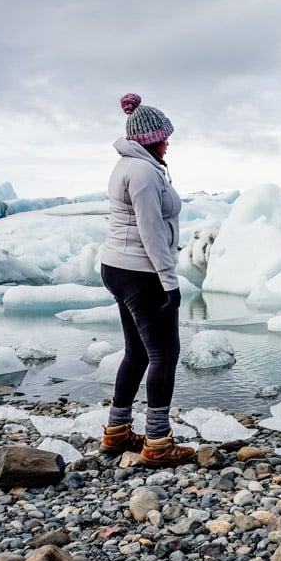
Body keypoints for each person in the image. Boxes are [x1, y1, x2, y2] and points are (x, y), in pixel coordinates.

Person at [97, 93, 195, 467]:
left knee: (138, 352)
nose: (168, 143)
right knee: (164, 355)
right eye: (164, 137)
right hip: (140, 271)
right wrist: (169, 282)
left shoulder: (131, 166)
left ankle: (117, 432)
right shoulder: (140, 172)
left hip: (121, 268)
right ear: (151, 140)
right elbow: (150, 229)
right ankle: (157, 442)